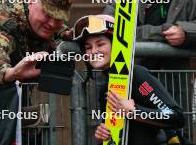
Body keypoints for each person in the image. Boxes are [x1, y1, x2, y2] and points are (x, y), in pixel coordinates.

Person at [104, 0, 195, 141]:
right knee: (135, 134)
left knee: (179, 132)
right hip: (133, 80)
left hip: (175, 81)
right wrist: (160, 32)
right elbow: (110, 27)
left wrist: (186, 32)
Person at [73, 14, 185, 145]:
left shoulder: (137, 75)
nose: (93, 51)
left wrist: (135, 112)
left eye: (100, 44)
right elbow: (116, 136)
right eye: (88, 47)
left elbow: (176, 117)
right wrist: (102, 136)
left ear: (115, 45)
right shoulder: (105, 88)